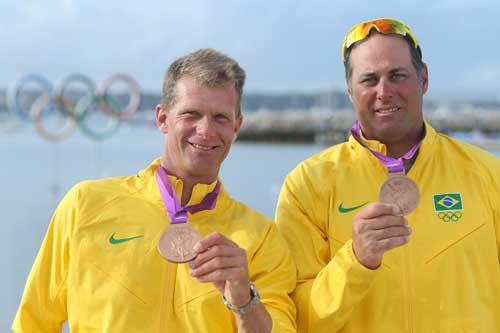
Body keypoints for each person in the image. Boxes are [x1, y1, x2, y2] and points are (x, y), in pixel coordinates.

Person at [13, 48, 297, 332]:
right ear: (162, 119)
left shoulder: (261, 238)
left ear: (237, 126)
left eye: (220, 118)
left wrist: (243, 297)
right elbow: (33, 323)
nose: (206, 130)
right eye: (191, 114)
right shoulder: (85, 204)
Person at [275, 17, 500, 332]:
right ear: (351, 91)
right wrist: (355, 261)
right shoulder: (307, 185)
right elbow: (297, 318)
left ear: (423, 79)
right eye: (369, 79)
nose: (384, 91)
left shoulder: (488, 173)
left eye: (397, 75)